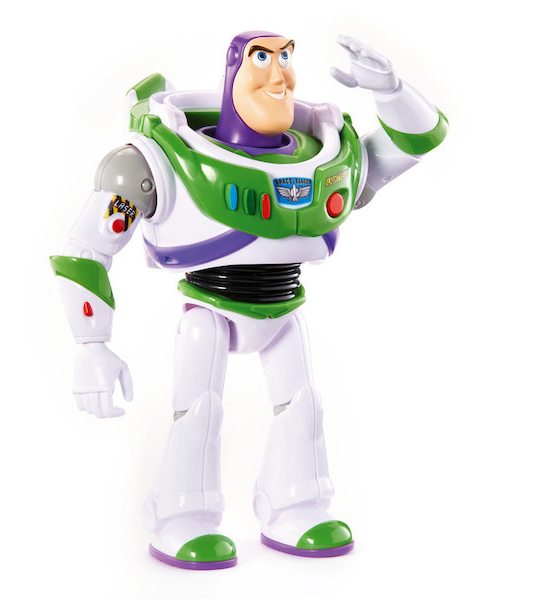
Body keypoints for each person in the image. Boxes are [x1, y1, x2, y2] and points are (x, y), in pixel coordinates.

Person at [50, 30, 447, 570]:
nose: (280, 74)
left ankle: (297, 505)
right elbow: (85, 250)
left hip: (285, 307)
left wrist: (391, 90)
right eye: (263, 58)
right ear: (235, 70)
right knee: (199, 409)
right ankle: (181, 515)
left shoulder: (326, 155)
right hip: (209, 310)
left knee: (303, 405)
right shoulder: (161, 159)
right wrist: (91, 344)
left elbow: (416, 141)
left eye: (286, 57)